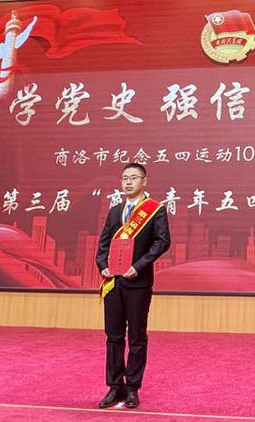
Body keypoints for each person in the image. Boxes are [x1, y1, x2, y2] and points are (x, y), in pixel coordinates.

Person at [95, 163, 170, 409]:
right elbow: (103, 243)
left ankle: (132, 388)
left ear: (144, 181)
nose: (128, 182)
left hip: (138, 282)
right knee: (113, 336)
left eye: (133, 178)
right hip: (113, 282)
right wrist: (102, 266)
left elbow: (162, 242)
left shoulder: (155, 210)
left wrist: (138, 266)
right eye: (124, 178)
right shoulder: (115, 211)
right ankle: (114, 386)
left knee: (137, 337)